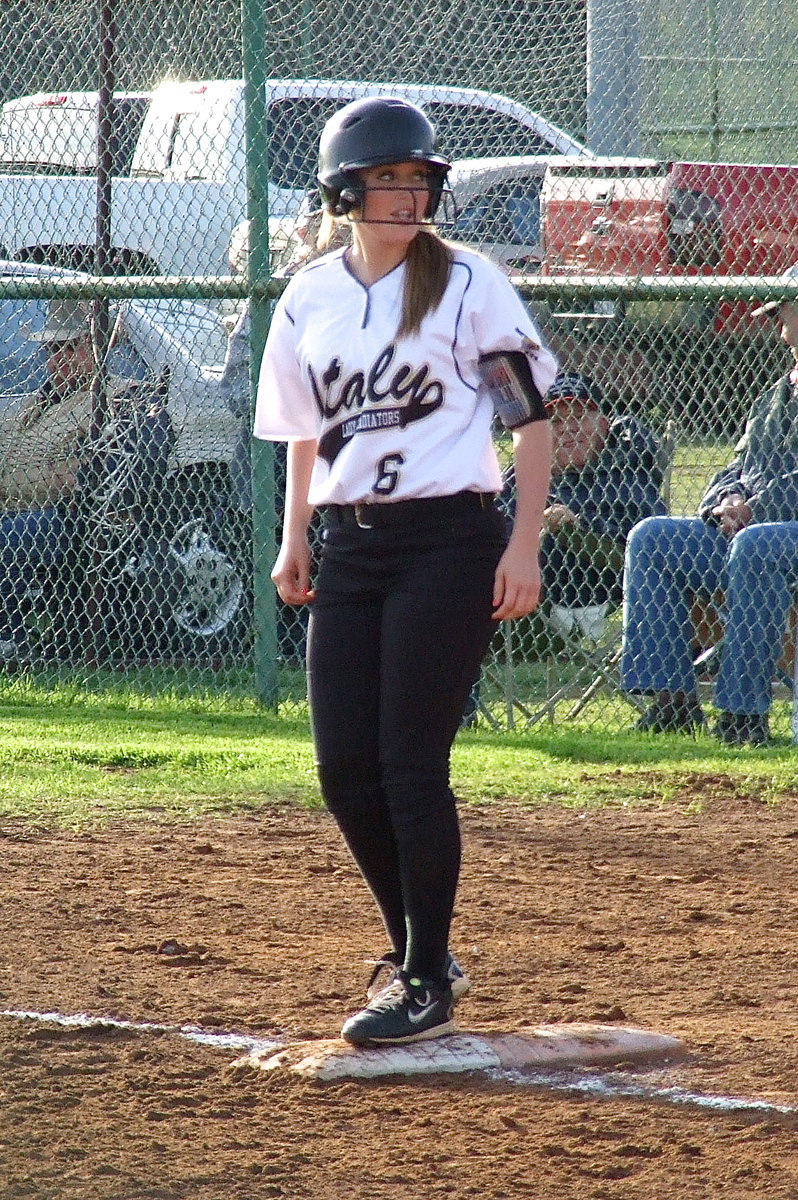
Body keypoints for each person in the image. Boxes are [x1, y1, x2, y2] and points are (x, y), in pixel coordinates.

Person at [255, 96, 556, 1046]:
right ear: (345, 190)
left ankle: (424, 976)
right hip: (350, 541)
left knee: (409, 763)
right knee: (344, 770)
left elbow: (531, 421)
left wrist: (523, 542)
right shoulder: (310, 293)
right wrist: (293, 534)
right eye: (387, 178)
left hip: (449, 539)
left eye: (419, 179)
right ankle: (422, 951)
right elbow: (304, 429)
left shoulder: (469, 281)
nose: (406, 193)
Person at [621, 261, 798, 746]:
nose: (775, 321)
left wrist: (755, 508)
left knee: (757, 547)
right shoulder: (774, 396)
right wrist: (726, 500)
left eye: (781, 308)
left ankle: (742, 715)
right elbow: (732, 468)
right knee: (654, 538)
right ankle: (673, 702)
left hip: (775, 538)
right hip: (751, 536)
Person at [0, 299, 145, 663]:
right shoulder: (35, 403)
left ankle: (10, 637)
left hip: (67, 518)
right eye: (52, 349)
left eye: (70, 347)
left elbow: (80, 479)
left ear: (95, 347)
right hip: (17, 509)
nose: (58, 358)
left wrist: (10, 486)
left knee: (12, 534)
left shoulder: (113, 398)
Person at [504, 371, 667, 640]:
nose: (569, 427)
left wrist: (578, 525)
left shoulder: (625, 468)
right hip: (523, 582)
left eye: (579, 416)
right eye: (556, 421)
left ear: (603, 425)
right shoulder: (522, 475)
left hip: (598, 574)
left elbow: (643, 534)